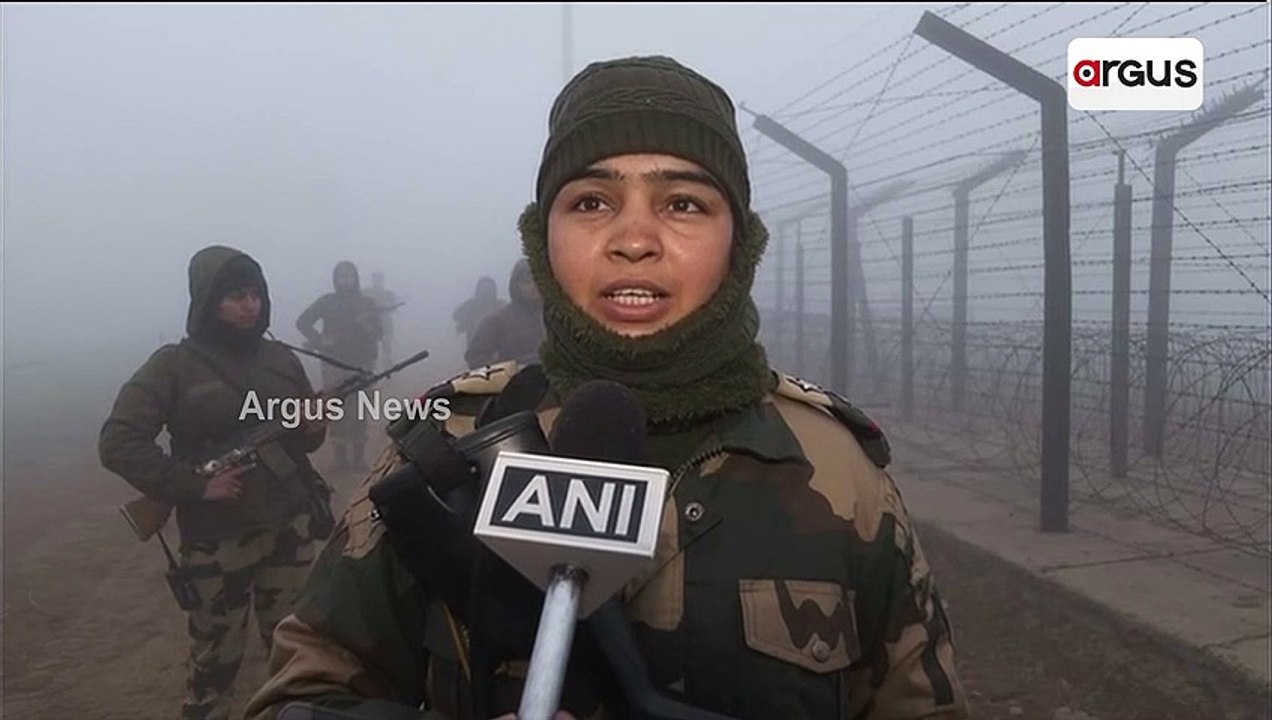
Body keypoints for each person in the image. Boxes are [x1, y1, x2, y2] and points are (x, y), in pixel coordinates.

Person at [246, 56, 968, 720]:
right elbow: (303, 695)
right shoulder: (447, 448)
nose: (633, 238)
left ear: (739, 244)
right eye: (591, 202)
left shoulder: (838, 469)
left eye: (683, 203)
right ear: (542, 241)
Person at [99, 245, 330, 720]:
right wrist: (194, 486)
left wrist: (313, 427)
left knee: (297, 656)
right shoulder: (173, 366)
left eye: (255, 295)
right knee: (215, 666)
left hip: (288, 527)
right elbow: (118, 441)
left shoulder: (282, 359)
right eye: (234, 297)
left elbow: (302, 443)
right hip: (217, 542)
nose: (250, 306)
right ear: (207, 302)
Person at [296, 261, 384, 470]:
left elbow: (379, 333)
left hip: (361, 363)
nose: (346, 280)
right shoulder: (327, 302)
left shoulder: (367, 304)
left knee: (360, 409)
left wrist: (366, 328)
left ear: (356, 278)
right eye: (342, 276)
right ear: (335, 279)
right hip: (333, 363)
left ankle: (358, 458)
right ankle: (340, 459)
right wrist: (320, 341)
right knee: (335, 408)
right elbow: (302, 322)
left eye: (349, 276)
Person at [463, 258, 545, 368]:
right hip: (515, 382)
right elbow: (476, 357)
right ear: (516, 285)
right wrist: (507, 370)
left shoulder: (558, 317)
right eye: (526, 282)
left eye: (537, 281)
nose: (533, 286)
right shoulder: (498, 320)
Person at [365, 271, 402, 371]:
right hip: (371, 326)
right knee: (371, 350)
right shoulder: (367, 293)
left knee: (387, 349)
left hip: (386, 325)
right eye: (375, 279)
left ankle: (388, 371)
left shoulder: (388, 294)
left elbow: (393, 308)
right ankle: (370, 372)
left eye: (379, 279)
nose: (377, 282)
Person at [452, 275, 505, 345]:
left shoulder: (501, 305)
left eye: (489, 288)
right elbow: (456, 316)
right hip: (475, 345)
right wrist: (469, 322)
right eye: (484, 288)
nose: (486, 291)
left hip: (496, 346)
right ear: (478, 289)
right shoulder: (471, 304)